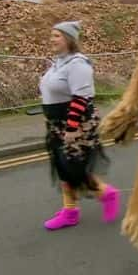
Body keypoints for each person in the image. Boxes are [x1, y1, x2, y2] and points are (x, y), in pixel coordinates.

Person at [39, 21, 119, 230]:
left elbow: (81, 97)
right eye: (51, 35)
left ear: (69, 39)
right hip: (57, 125)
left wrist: (72, 128)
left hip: (76, 126)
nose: (52, 39)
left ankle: (107, 194)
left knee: (75, 170)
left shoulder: (78, 64)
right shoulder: (58, 63)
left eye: (56, 35)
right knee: (63, 168)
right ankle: (70, 211)